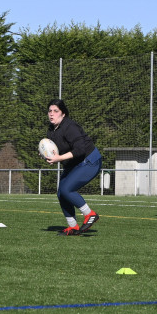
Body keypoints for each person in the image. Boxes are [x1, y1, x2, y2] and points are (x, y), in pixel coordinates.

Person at [44, 99, 102, 236]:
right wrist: (49, 157)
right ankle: (73, 227)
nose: (52, 114)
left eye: (56, 111)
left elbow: (80, 149)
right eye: (50, 111)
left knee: (66, 189)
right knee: (61, 193)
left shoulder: (70, 127)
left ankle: (90, 214)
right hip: (75, 163)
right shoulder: (51, 130)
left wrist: (59, 158)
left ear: (63, 114)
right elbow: (56, 151)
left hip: (90, 160)